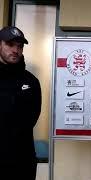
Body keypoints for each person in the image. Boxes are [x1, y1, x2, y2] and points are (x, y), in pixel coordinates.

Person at [0, 26, 41, 179]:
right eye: (10, 44)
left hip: (23, 159)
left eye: (20, 46)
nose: (16, 50)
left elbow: (33, 117)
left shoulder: (31, 81)